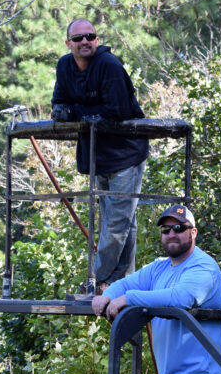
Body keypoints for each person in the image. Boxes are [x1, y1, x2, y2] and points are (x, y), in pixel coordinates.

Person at [91, 204, 221, 374]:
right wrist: (107, 295)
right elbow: (127, 283)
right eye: (166, 230)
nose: (172, 234)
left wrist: (128, 299)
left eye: (179, 228)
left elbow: (182, 298)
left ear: (193, 232)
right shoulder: (159, 268)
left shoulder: (203, 267)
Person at [51, 18, 149, 291]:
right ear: (68, 43)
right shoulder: (64, 66)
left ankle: (95, 281)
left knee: (116, 223)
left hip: (126, 155)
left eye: (90, 36)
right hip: (97, 156)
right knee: (122, 222)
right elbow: (59, 103)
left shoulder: (109, 66)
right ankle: (120, 283)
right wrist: (70, 111)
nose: (84, 41)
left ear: (96, 40)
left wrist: (75, 112)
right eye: (78, 38)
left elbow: (117, 111)